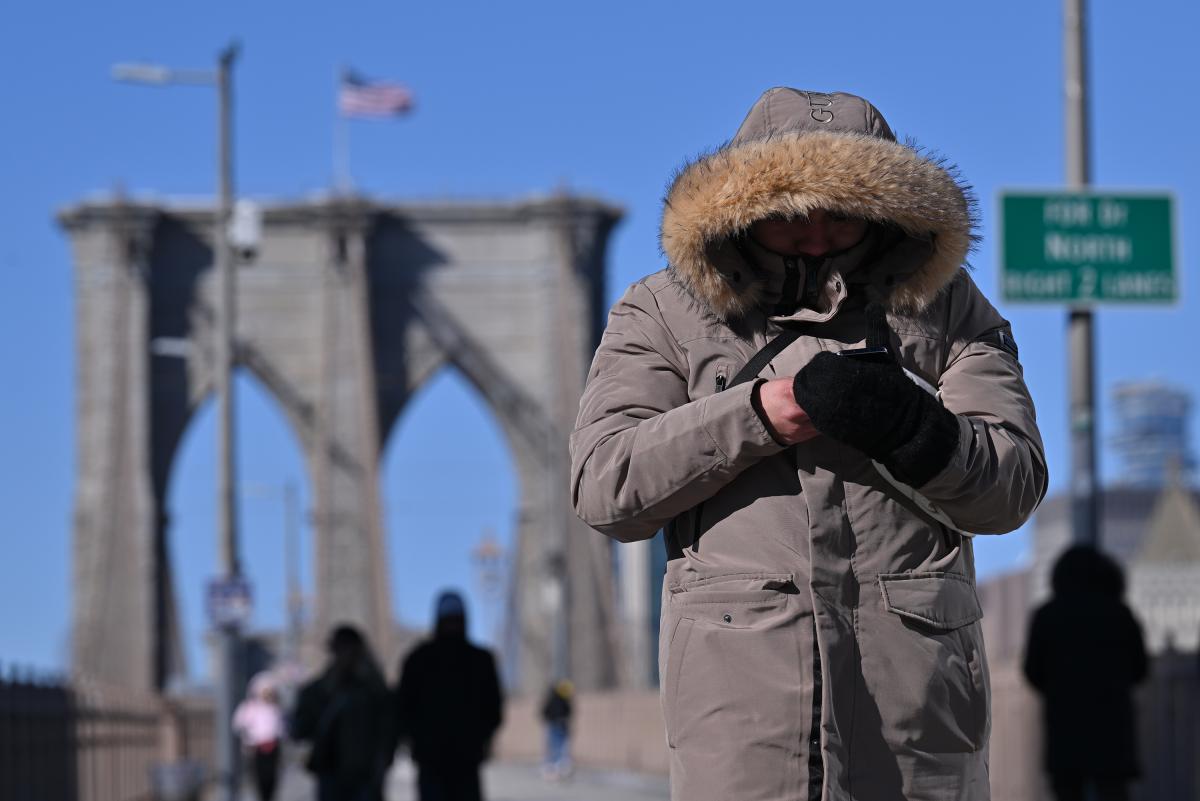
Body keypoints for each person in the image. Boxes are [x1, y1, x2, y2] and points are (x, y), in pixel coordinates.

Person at [569, 88, 1047, 800]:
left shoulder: (949, 309)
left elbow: (1013, 484)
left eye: (843, 212)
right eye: (793, 213)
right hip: (742, 737)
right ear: (744, 208)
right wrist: (758, 414)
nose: (818, 234)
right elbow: (605, 486)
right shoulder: (661, 312)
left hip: (915, 733)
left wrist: (913, 428)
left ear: (886, 213)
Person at [1024, 546, 1148, 801]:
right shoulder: (1120, 614)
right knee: (1114, 790)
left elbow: (1032, 671)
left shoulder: (1047, 616)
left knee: (1068, 791)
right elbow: (1140, 669)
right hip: (1113, 725)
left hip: (1065, 723)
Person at [393, 591, 503, 801]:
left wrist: (412, 739)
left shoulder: (419, 659)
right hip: (450, 757)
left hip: (451, 757)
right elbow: (494, 708)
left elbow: (403, 707)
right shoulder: (480, 660)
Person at [291, 625, 391, 801]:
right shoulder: (321, 690)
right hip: (333, 772)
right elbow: (300, 728)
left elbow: (389, 728)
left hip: (364, 774)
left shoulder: (372, 691)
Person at [232, 672, 285, 801]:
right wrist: (248, 738)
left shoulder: (276, 709)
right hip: (257, 748)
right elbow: (238, 725)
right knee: (259, 779)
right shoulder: (250, 708)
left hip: (274, 747)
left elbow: (282, 728)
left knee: (272, 779)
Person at [539, 680, 574, 781]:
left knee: (557, 747)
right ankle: (556, 767)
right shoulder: (562, 700)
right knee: (558, 747)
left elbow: (544, 712)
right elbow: (569, 712)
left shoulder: (556, 699)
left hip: (557, 726)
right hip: (557, 725)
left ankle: (556, 767)